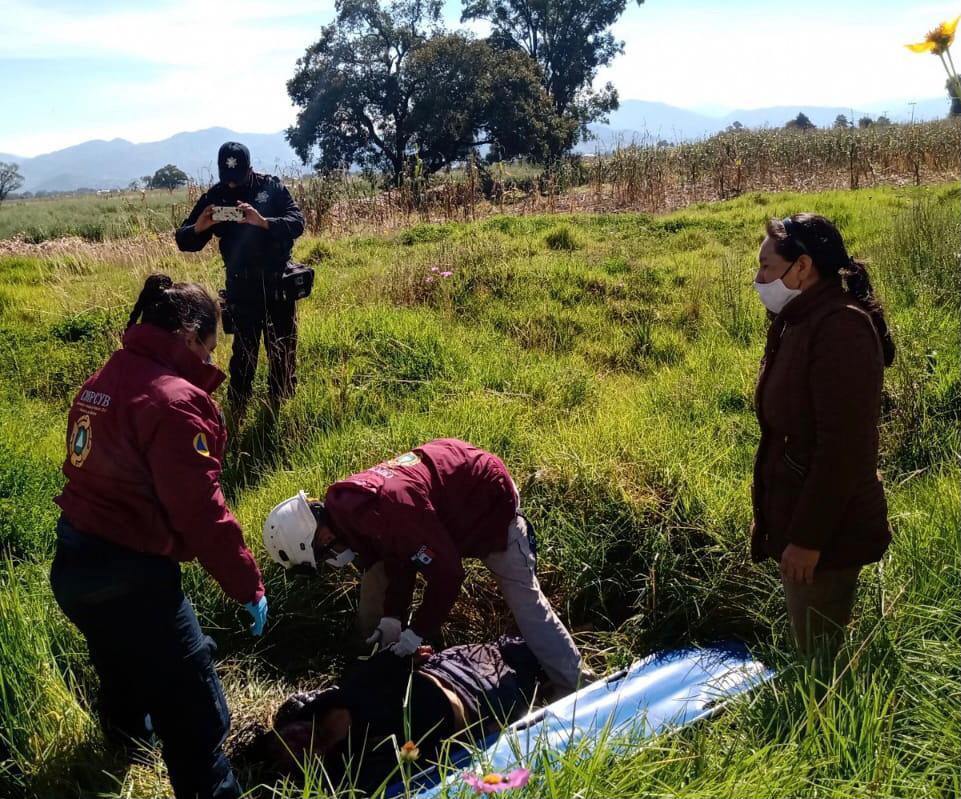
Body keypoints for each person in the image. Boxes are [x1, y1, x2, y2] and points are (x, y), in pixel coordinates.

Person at [50, 274, 268, 799]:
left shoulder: (106, 376)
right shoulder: (174, 401)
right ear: (190, 334)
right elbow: (200, 511)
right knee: (197, 714)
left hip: (75, 560)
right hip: (133, 574)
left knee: (118, 661)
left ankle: (122, 751)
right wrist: (247, 585)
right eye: (211, 347)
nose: (213, 361)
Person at [263, 438, 590, 695]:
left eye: (323, 555)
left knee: (524, 599)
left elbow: (448, 576)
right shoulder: (353, 511)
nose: (331, 562)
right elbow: (399, 558)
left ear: (319, 536)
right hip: (451, 498)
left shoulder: (385, 510)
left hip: (487, 500)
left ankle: (577, 686)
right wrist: (393, 617)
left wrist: (416, 633)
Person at [751, 214, 895, 655]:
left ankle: (831, 722)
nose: (758, 280)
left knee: (820, 663)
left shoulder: (840, 329)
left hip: (828, 532)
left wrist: (808, 539)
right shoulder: (799, 318)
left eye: (767, 268)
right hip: (801, 516)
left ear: (803, 267)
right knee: (814, 647)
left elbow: (844, 450)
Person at [250, 637, 543, 791]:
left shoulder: (317, 706)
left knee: (528, 641)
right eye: (287, 751)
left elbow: (366, 673)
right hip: (480, 696)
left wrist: (399, 655)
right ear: (305, 767)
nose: (289, 738)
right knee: (541, 667)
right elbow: (430, 763)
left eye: (277, 738)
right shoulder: (358, 765)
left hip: (448, 664)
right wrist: (485, 734)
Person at [175, 141, 305, 417]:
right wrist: (199, 228)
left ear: (249, 168)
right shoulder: (216, 195)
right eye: (227, 178)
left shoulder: (272, 188)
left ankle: (280, 410)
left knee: (282, 350)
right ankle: (238, 410)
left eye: (238, 178)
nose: (232, 185)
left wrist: (264, 222)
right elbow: (184, 240)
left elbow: (297, 223)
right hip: (241, 286)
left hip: (276, 283)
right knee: (243, 355)